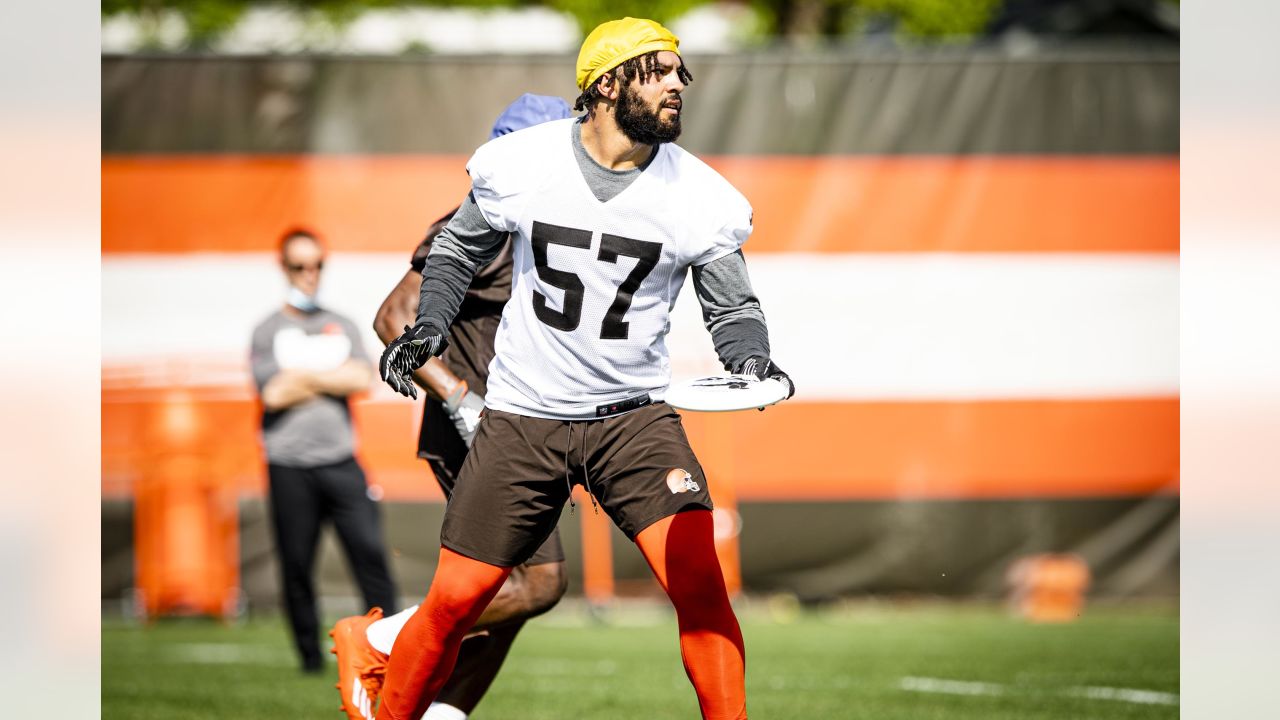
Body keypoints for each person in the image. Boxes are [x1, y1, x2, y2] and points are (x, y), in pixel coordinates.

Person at [377, 17, 794, 720]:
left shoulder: (701, 194)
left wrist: (750, 357)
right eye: (656, 70)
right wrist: (428, 330)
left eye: (679, 72)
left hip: (632, 419)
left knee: (700, 584)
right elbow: (454, 254)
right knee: (454, 600)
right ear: (605, 84)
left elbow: (732, 307)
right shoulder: (524, 161)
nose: (676, 84)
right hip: (524, 415)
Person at [328, 94, 574, 720]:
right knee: (538, 584)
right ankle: (376, 640)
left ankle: (441, 714)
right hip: (479, 435)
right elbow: (393, 318)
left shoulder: (539, 226)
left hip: (522, 432)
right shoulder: (483, 223)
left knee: (507, 595)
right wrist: (461, 398)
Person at [249, 228, 397, 674]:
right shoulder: (267, 330)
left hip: (340, 460)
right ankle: (310, 659)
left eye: (316, 265)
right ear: (284, 267)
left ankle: (385, 649)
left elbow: (361, 377)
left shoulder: (343, 323)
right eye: (299, 266)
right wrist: (329, 374)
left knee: (370, 554)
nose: (309, 274)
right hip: (288, 464)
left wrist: (303, 376)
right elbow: (272, 392)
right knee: (296, 565)